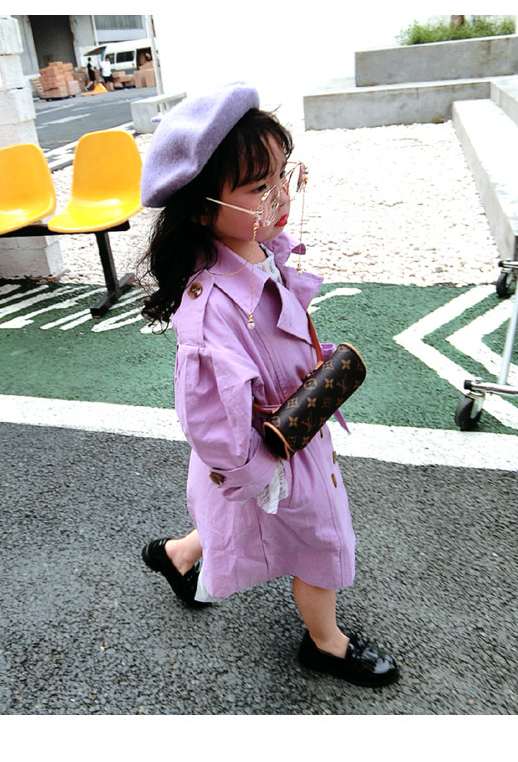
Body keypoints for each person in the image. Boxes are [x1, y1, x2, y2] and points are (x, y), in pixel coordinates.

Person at [138, 82, 399, 688]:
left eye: (283, 173)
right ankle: (326, 643)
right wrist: (258, 471)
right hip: (271, 450)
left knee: (232, 522)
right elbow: (208, 415)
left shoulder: (258, 245)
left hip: (293, 423)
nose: (280, 194)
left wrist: (307, 363)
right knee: (322, 539)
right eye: (259, 186)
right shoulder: (209, 310)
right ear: (201, 209)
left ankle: (178, 556)